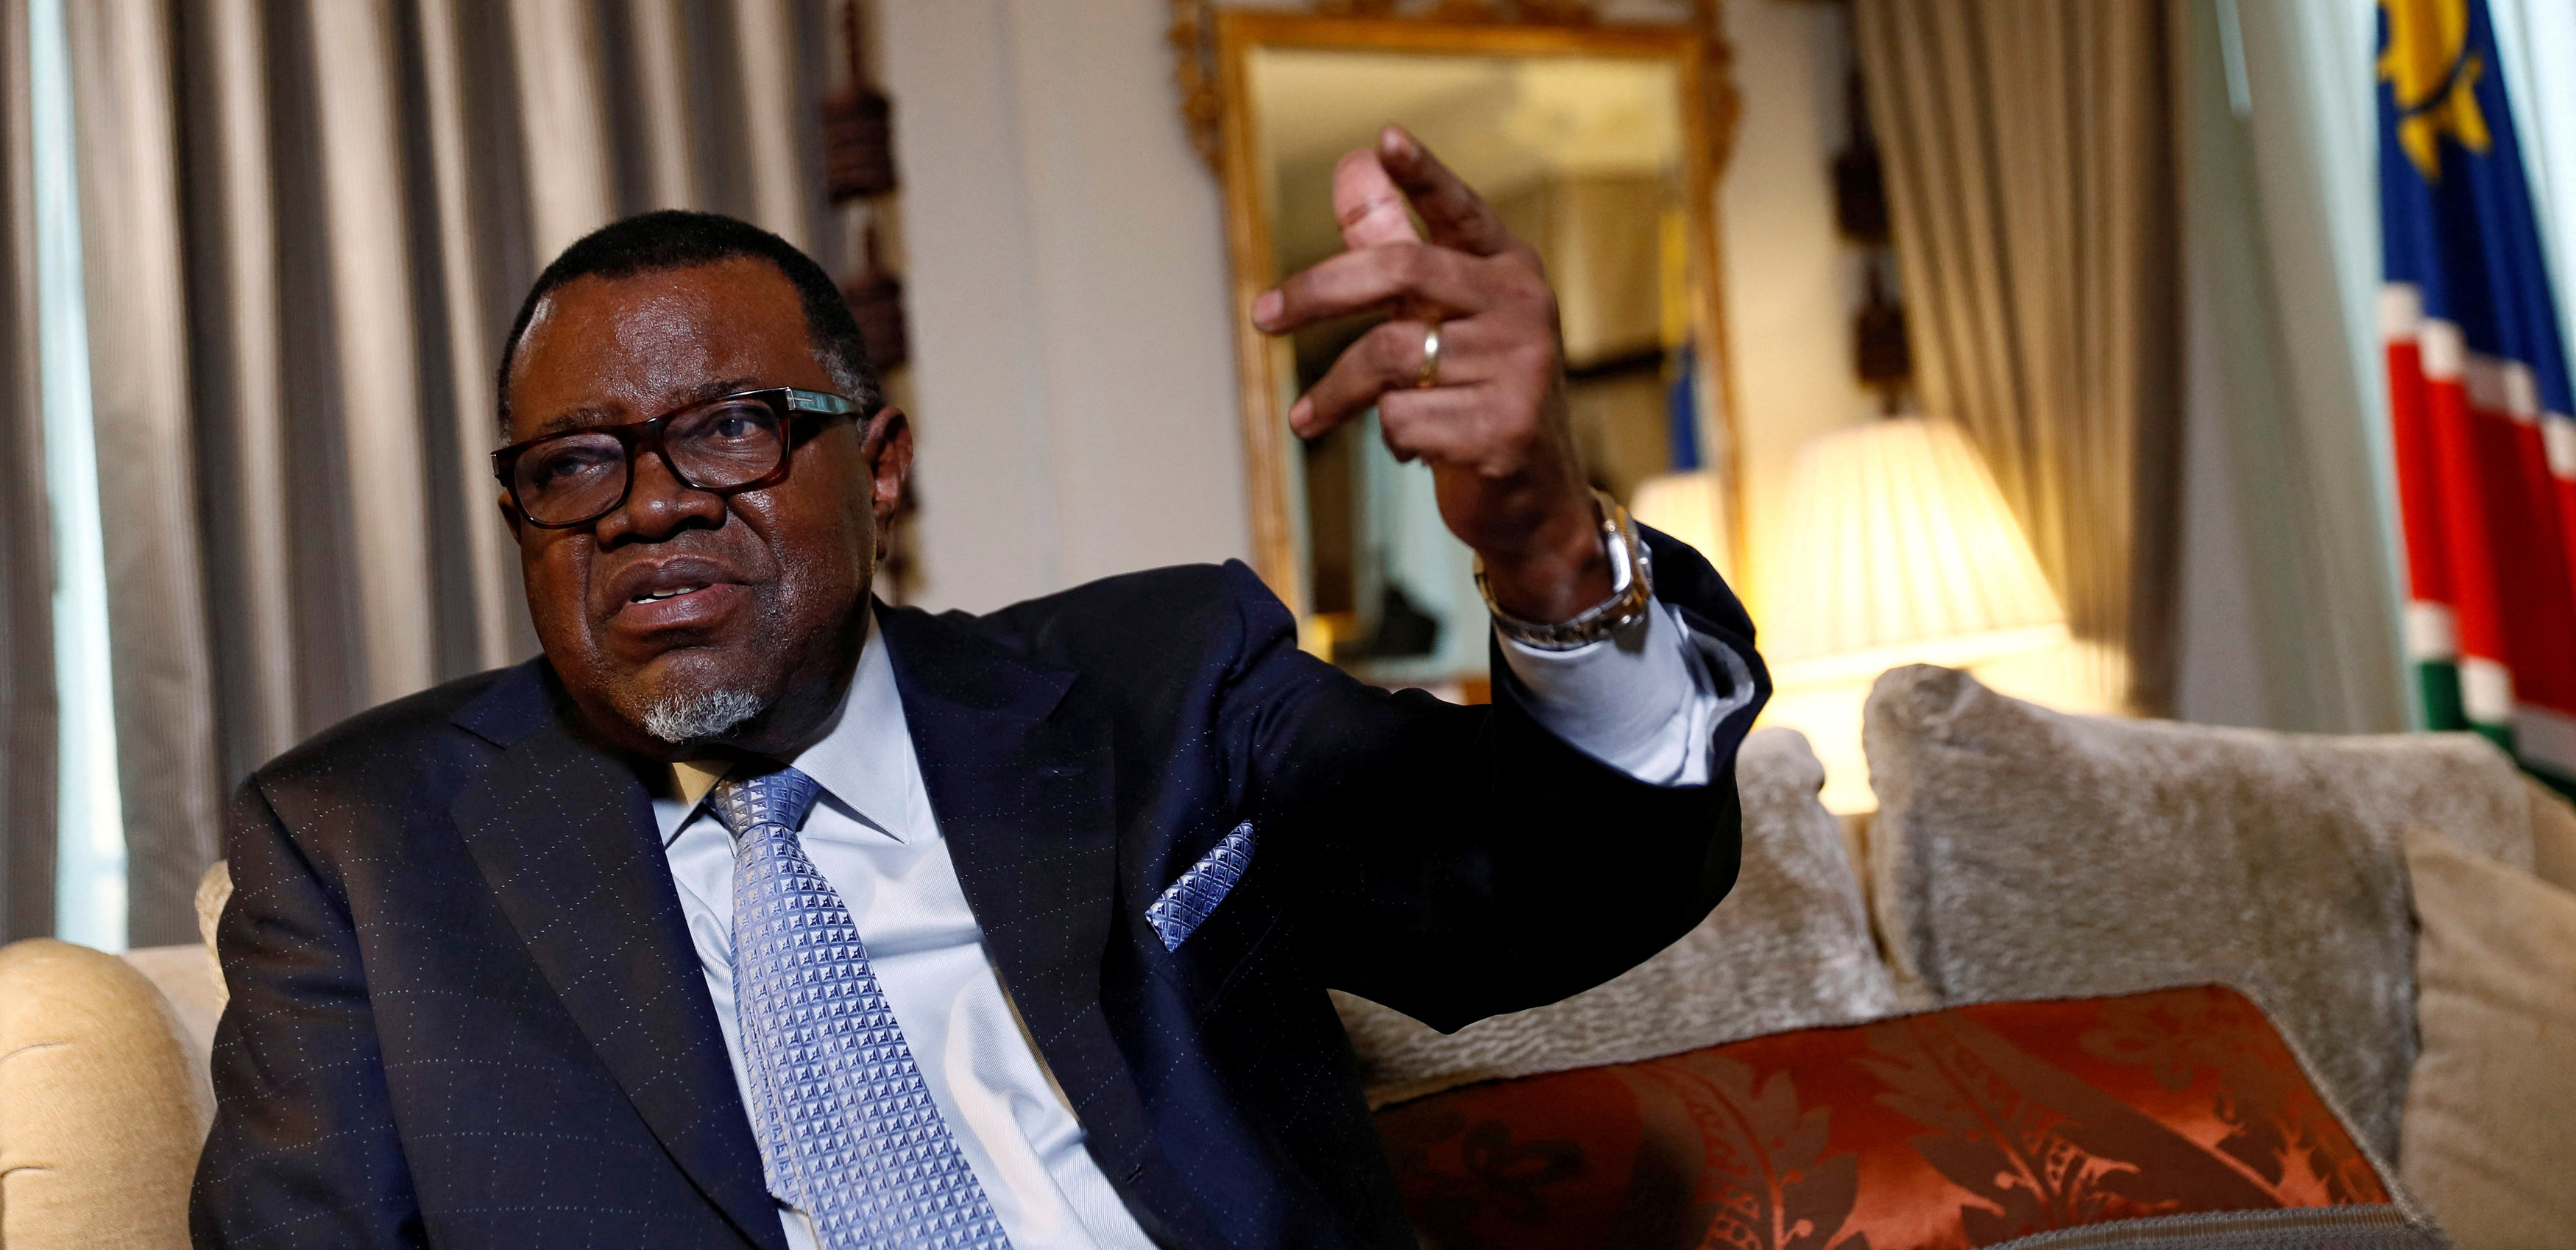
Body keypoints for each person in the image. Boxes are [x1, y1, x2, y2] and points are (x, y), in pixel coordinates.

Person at [190, 128, 1767, 1250]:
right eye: (576, 462)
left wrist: (1548, 541)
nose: (651, 502)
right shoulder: (363, 851)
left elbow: (1556, 893)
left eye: (730, 428)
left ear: (879, 463)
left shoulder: (1155, 692)